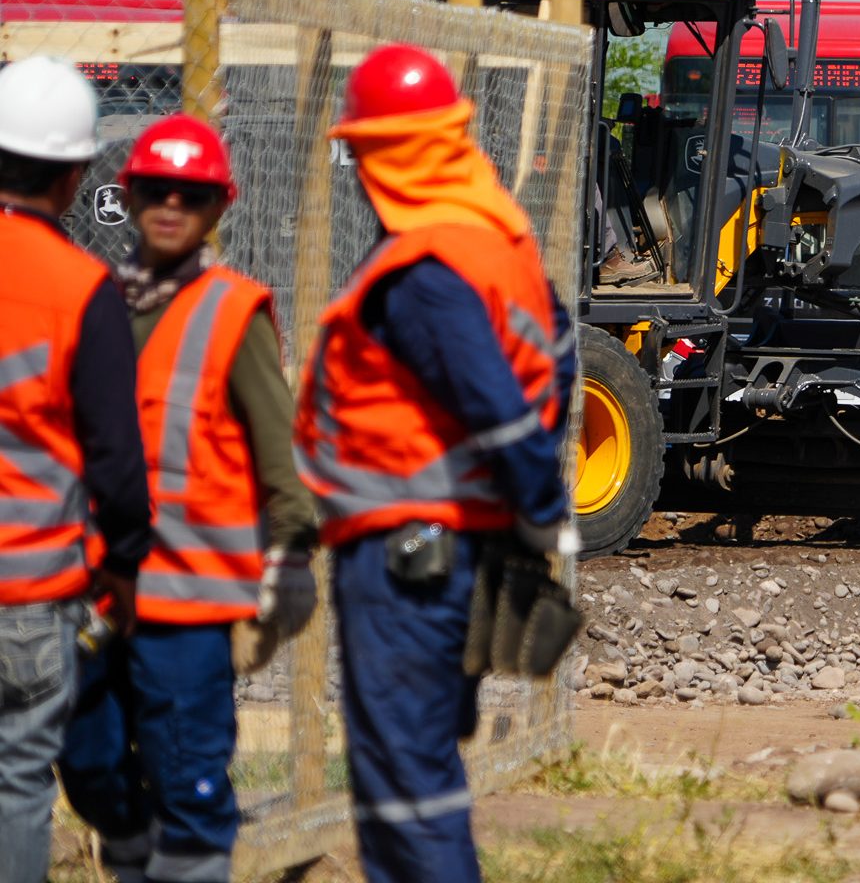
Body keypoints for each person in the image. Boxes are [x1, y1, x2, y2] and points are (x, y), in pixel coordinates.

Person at [294, 43, 578, 883]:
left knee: (404, 784)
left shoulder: (423, 272)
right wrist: (525, 513)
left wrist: (532, 505)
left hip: (405, 557)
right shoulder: (499, 235)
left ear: (382, 158)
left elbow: (493, 407)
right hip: (463, 539)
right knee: (426, 765)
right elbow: (553, 358)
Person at [56, 114, 320, 883]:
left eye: (193, 194)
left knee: (189, 777)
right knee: (91, 760)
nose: (172, 205)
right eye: (156, 189)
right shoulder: (94, 299)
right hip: (97, 589)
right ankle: (135, 857)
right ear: (128, 196)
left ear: (219, 207)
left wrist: (292, 551)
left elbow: (277, 447)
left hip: (187, 598)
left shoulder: (232, 314)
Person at [0, 57, 153, 883]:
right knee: (18, 784)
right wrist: (126, 567)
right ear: (73, 173)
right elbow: (117, 464)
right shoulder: (82, 287)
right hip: (31, 589)